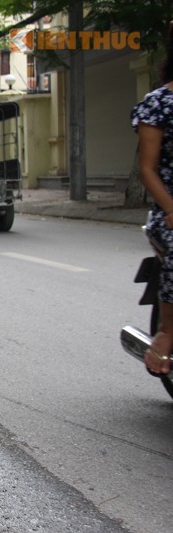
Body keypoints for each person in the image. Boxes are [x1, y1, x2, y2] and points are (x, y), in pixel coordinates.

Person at [132, 24, 173, 376]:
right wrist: (171, 207)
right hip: (169, 209)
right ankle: (167, 331)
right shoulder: (158, 103)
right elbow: (147, 169)